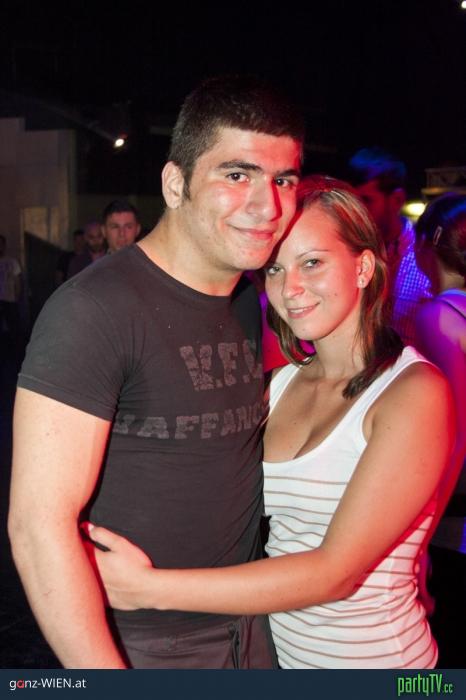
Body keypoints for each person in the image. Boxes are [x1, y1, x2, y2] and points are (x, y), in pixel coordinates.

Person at [89, 177, 454, 669]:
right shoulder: (279, 385)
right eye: (276, 268)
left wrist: (149, 588)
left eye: (312, 262)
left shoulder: (413, 393)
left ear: (364, 267)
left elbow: (335, 573)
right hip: (280, 659)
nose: (290, 288)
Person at [8, 75, 304, 669]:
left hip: (253, 626)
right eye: (237, 174)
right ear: (175, 184)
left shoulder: (252, 300)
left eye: (283, 180)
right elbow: (38, 526)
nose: (266, 205)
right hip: (144, 643)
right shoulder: (95, 309)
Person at [414, 193, 466, 668]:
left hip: (456, 519)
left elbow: (454, 434)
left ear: (427, 246)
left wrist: (421, 536)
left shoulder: (439, 317)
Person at [348, 147, 431, 345]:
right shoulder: (348, 252)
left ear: (397, 200)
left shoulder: (427, 255)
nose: (357, 211)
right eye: (353, 201)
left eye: (366, 200)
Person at [0, 234, 22, 340]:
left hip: (10, 300)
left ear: (4, 246)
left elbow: (18, 282)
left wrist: (17, 297)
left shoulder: (12, 262)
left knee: (14, 328)